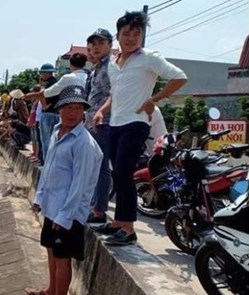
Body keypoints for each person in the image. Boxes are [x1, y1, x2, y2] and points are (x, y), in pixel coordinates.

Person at [91, 11, 187, 246]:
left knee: (124, 173)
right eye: (127, 33)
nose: (132, 38)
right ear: (119, 35)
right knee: (117, 173)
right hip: (115, 123)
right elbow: (115, 94)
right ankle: (117, 223)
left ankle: (129, 229)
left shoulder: (148, 58)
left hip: (136, 123)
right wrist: (102, 110)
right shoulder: (114, 64)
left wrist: (154, 99)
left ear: (142, 36)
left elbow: (180, 77)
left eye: (137, 33)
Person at [26, 85, 103, 295]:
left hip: (67, 213)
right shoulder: (57, 131)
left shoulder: (84, 143)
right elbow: (48, 167)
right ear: (59, 109)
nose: (72, 112)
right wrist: (40, 197)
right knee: (51, 251)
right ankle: (51, 291)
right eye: (68, 107)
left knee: (62, 258)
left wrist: (65, 216)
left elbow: (79, 186)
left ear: (84, 112)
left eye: (78, 108)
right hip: (52, 206)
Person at [25, 56, 88, 162]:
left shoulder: (67, 78)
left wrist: (31, 95)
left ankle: (47, 166)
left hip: (60, 114)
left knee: (48, 141)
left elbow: (46, 93)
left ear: (71, 64)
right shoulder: (89, 77)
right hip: (83, 114)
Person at [84, 28, 115, 224]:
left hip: (104, 123)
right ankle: (95, 206)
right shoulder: (97, 68)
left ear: (110, 46)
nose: (95, 47)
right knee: (94, 167)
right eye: (93, 44)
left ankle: (99, 211)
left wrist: (101, 112)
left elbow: (116, 93)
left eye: (100, 43)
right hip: (92, 123)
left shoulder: (111, 66)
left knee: (101, 168)